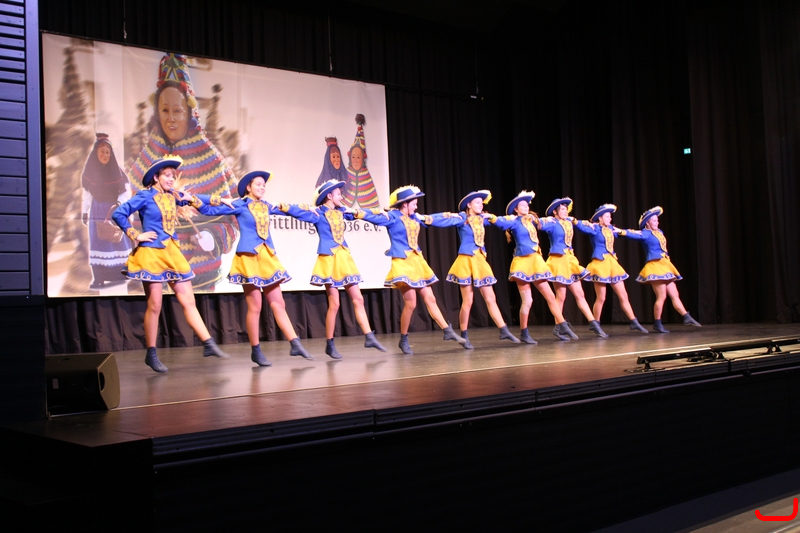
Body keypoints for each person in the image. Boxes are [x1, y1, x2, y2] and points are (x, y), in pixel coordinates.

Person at [128, 53, 238, 291]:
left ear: (188, 112)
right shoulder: (145, 159)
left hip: (200, 274)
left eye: (177, 111)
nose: (170, 119)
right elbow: (130, 212)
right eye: (164, 110)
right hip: (155, 264)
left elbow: (233, 213)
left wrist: (214, 238)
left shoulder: (212, 160)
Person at [112, 157, 230, 373]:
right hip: (152, 253)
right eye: (167, 175)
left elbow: (196, 198)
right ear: (156, 177)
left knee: (189, 301)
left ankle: (208, 343)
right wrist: (136, 235)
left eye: (173, 176)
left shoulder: (173, 196)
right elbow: (118, 213)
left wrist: (220, 199)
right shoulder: (145, 196)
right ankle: (151, 353)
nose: (171, 179)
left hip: (172, 252)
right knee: (155, 305)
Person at [195, 170, 314, 365]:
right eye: (258, 184)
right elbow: (209, 211)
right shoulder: (240, 204)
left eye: (264, 185)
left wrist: (311, 211)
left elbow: (290, 210)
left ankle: (295, 343)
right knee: (255, 306)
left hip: (267, 257)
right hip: (249, 257)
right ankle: (256, 350)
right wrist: (197, 200)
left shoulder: (267, 206)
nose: (262, 187)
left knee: (278, 303)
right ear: (248, 187)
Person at [278, 179, 387, 359]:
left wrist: (378, 211)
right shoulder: (318, 213)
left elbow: (361, 213)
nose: (341, 197)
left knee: (358, 298)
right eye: (338, 194)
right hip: (329, 258)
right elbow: (297, 212)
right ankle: (330, 344)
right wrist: (284, 206)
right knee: (334, 303)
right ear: (329, 195)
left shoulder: (342, 211)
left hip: (344, 257)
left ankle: (369, 336)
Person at [370, 185, 466, 354]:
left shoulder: (415, 217)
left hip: (417, 261)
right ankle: (403, 339)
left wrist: (455, 216)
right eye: (413, 204)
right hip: (402, 262)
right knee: (411, 303)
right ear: (404, 204)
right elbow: (371, 216)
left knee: (430, 298)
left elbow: (435, 219)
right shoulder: (392, 217)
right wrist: (356, 212)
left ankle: (447, 330)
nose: (416, 207)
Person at [494, 191, 578, 342]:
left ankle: (562, 324)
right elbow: (500, 223)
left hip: (536, 262)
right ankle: (524, 333)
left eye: (527, 205)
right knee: (528, 301)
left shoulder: (533, 220)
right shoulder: (514, 221)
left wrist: (562, 219)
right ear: (516, 209)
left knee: (550, 296)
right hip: (522, 263)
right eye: (522, 205)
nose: (526, 207)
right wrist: (490, 217)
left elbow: (546, 222)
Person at [445, 190, 520, 349]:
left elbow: (501, 222)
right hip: (466, 260)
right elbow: (444, 220)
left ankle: (503, 329)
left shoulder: (482, 219)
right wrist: (425, 218)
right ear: (469, 205)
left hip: (480, 260)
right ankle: (464, 335)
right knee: (468, 300)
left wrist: (498, 217)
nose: (481, 205)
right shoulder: (462, 218)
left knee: (490, 297)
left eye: (481, 203)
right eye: (477, 203)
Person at [618, 206, 701, 333]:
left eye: (657, 220)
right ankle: (657, 322)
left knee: (675, 294)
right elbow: (632, 233)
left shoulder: (659, 232)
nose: (657, 222)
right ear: (647, 223)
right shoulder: (645, 233)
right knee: (661, 296)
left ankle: (686, 316)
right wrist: (619, 231)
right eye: (654, 220)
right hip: (655, 266)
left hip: (665, 265)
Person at [571, 204, 648, 334]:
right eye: (607, 216)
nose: (610, 219)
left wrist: (633, 232)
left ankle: (634, 321)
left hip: (612, 264)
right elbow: (581, 226)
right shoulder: (594, 228)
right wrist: (573, 220)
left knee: (623, 295)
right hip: (600, 264)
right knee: (601, 297)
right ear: (600, 218)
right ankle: (596, 323)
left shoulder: (611, 229)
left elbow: (625, 232)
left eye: (610, 217)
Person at [538, 197, 608, 338]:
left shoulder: (569, 222)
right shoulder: (552, 223)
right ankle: (559, 325)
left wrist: (583, 223)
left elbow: (585, 227)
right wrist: (543, 220)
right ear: (555, 212)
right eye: (562, 209)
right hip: (558, 261)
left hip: (570, 261)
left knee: (580, 294)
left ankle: (593, 323)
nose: (565, 211)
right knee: (561, 296)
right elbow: (540, 226)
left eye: (566, 209)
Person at [80, 133, 132, 290]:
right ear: (96, 152)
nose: (105, 155)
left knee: (117, 241)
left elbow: (126, 191)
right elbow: (87, 194)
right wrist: (84, 212)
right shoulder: (90, 172)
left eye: (108, 152)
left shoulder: (117, 171)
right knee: (99, 242)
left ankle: (119, 275)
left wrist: (119, 204)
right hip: (97, 211)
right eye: (102, 151)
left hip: (114, 211)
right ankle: (99, 278)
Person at [342, 114, 380, 209]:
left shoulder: (366, 177)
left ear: (363, 159)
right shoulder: (345, 174)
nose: (355, 160)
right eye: (353, 157)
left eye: (358, 157)